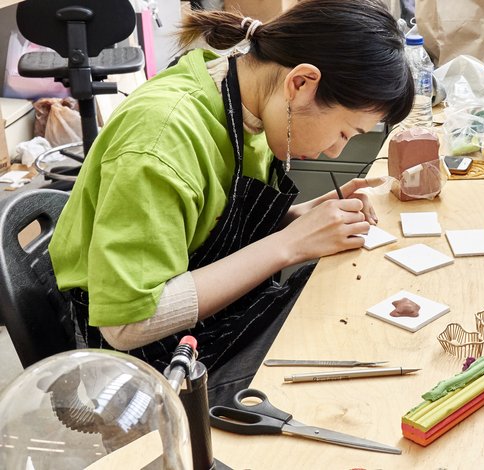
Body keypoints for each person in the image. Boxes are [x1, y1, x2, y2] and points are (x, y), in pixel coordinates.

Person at [49, 0, 414, 404]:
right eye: (345, 132)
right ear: (302, 83)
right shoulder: (160, 139)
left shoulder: (247, 106)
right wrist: (287, 244)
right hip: (143, 372)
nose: (334, 151)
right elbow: (128, 323)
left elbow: (208, 227)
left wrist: (294, 220)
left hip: (211, 325)